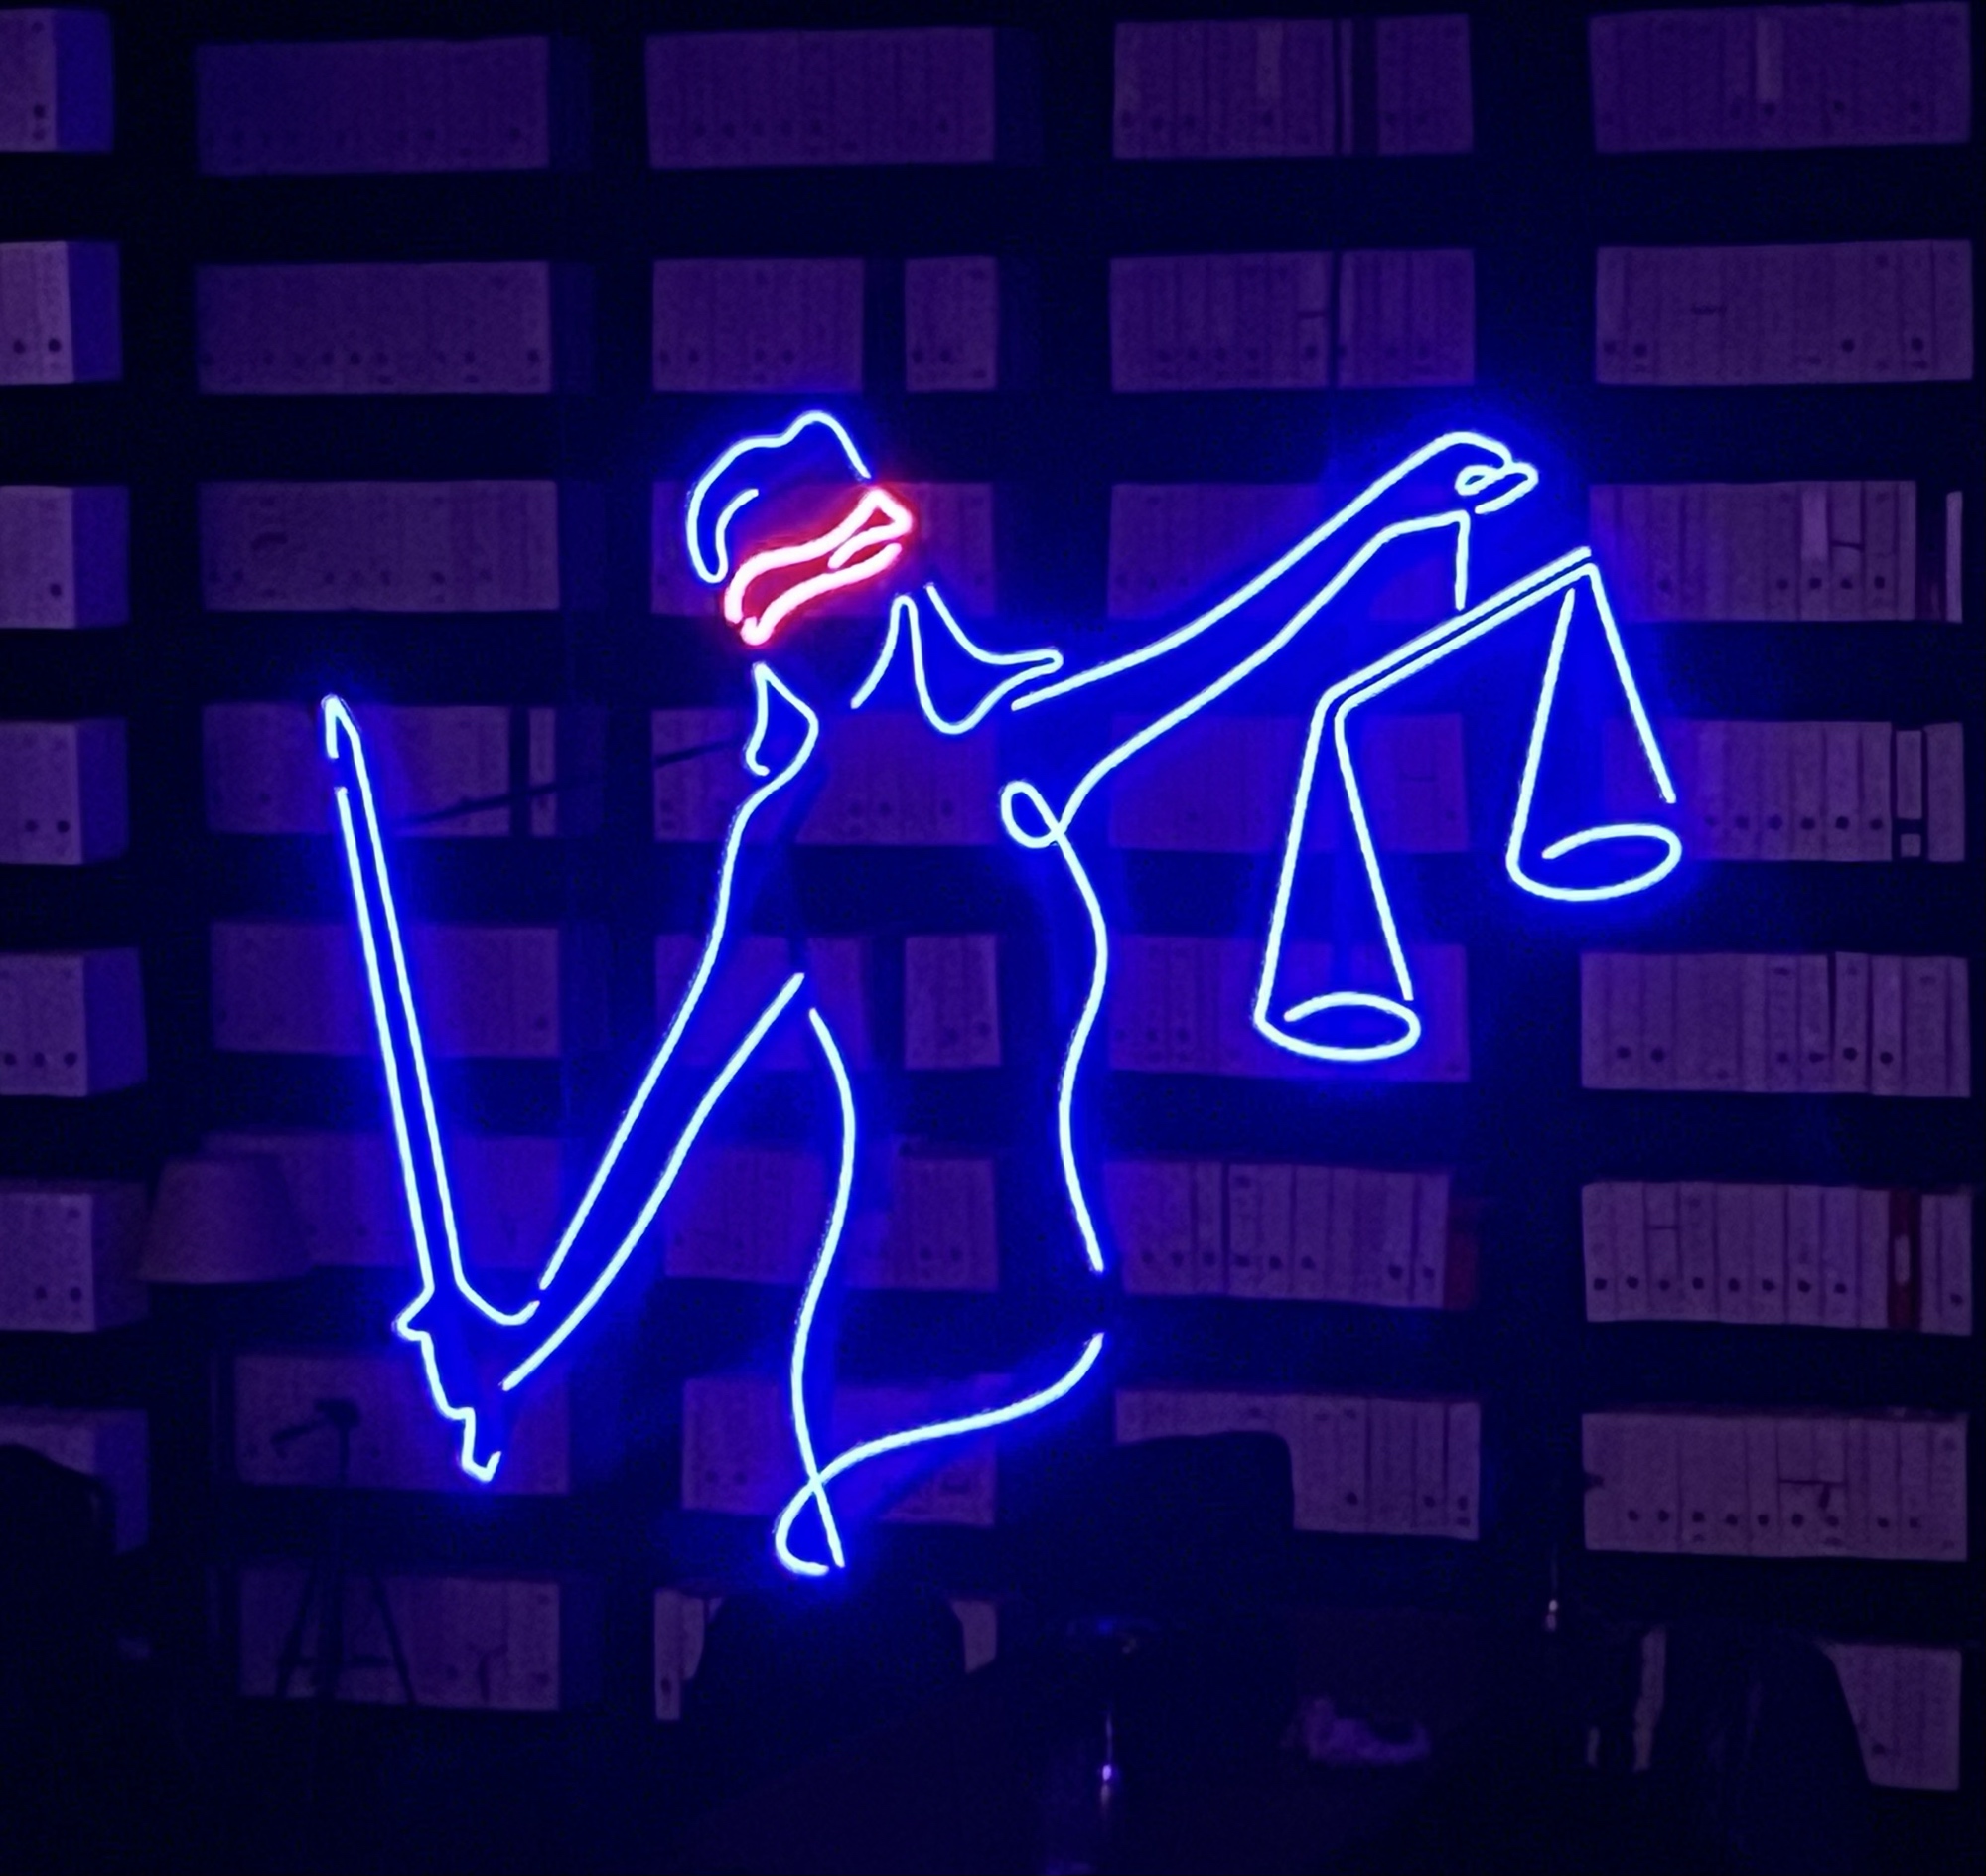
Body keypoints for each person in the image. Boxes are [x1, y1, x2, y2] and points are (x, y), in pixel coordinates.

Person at [322, 411, 1676, 1575]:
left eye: (841, 616)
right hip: (892, 1340)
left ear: (899, 590)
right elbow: (672, 1112)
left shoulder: (1005, 749)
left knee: (953, 1627)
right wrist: (523, 1332)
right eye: (805, 639)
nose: (833, 656)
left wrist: (1387, 515)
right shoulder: (795, 845)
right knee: (887, 1651)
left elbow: (1227, 645)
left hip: (1028, 1315)